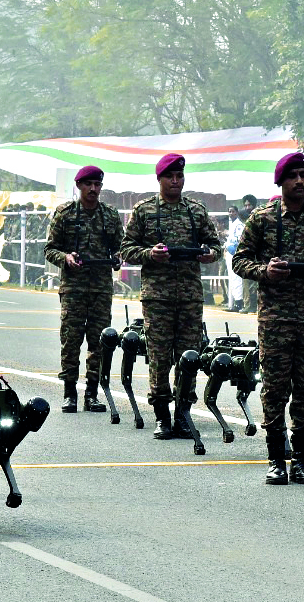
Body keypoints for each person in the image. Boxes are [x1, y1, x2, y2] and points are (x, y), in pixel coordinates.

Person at [233, 152, 304, 485]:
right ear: (280, 181)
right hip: (275, 319)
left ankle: (302, 459)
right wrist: (265, 271)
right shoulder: (262, 220)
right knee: (275, 388)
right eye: (293, 175)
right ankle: (276, 458)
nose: (300, 181)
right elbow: (240, 261)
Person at [120, 153, 222, 441]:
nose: (176, 181)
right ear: (160, 179)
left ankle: (183, 415)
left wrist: (208, 253)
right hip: (158, 297)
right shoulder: (144, 211)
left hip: (190, 296)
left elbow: (216, 245)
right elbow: (127, 249)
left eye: (180, 176)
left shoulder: (196, 211)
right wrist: (149, 254)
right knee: (160, 357)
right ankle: (162, 416)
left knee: (189, 357)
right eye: (170, 177)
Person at [44, 165, 123, 414]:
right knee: (71, 340)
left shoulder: (109, 215)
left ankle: (92, 393)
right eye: (88, 184)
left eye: (97, 184)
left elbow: (120, 246)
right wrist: (66, 258)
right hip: (74, 287)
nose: (93, 189)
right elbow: (50, 249)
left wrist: (119, 256)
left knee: (99, 341)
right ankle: (69, 392)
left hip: (100, 287)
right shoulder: (65, 214)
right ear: (79, 186)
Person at [239, 194, 260, 313]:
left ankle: (252, 306)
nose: (247, 207)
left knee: (253, 283)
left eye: (249, 205)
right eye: (245, 205)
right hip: (246, 254)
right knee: (246, 281)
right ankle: (247, 305)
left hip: (256, 255)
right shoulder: (244, 218)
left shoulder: (259, 217)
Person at [224, 205, 246, 310]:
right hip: (229, 253)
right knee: (232, 278)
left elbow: (240, 240)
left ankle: (239, 302)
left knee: (236, 277)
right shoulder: (232, 225)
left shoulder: (239, 225)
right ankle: (233, 301)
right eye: (229, 211)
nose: (231, 213)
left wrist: (234, 249)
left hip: (235, 254)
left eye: (232, 211)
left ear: (237, 213)